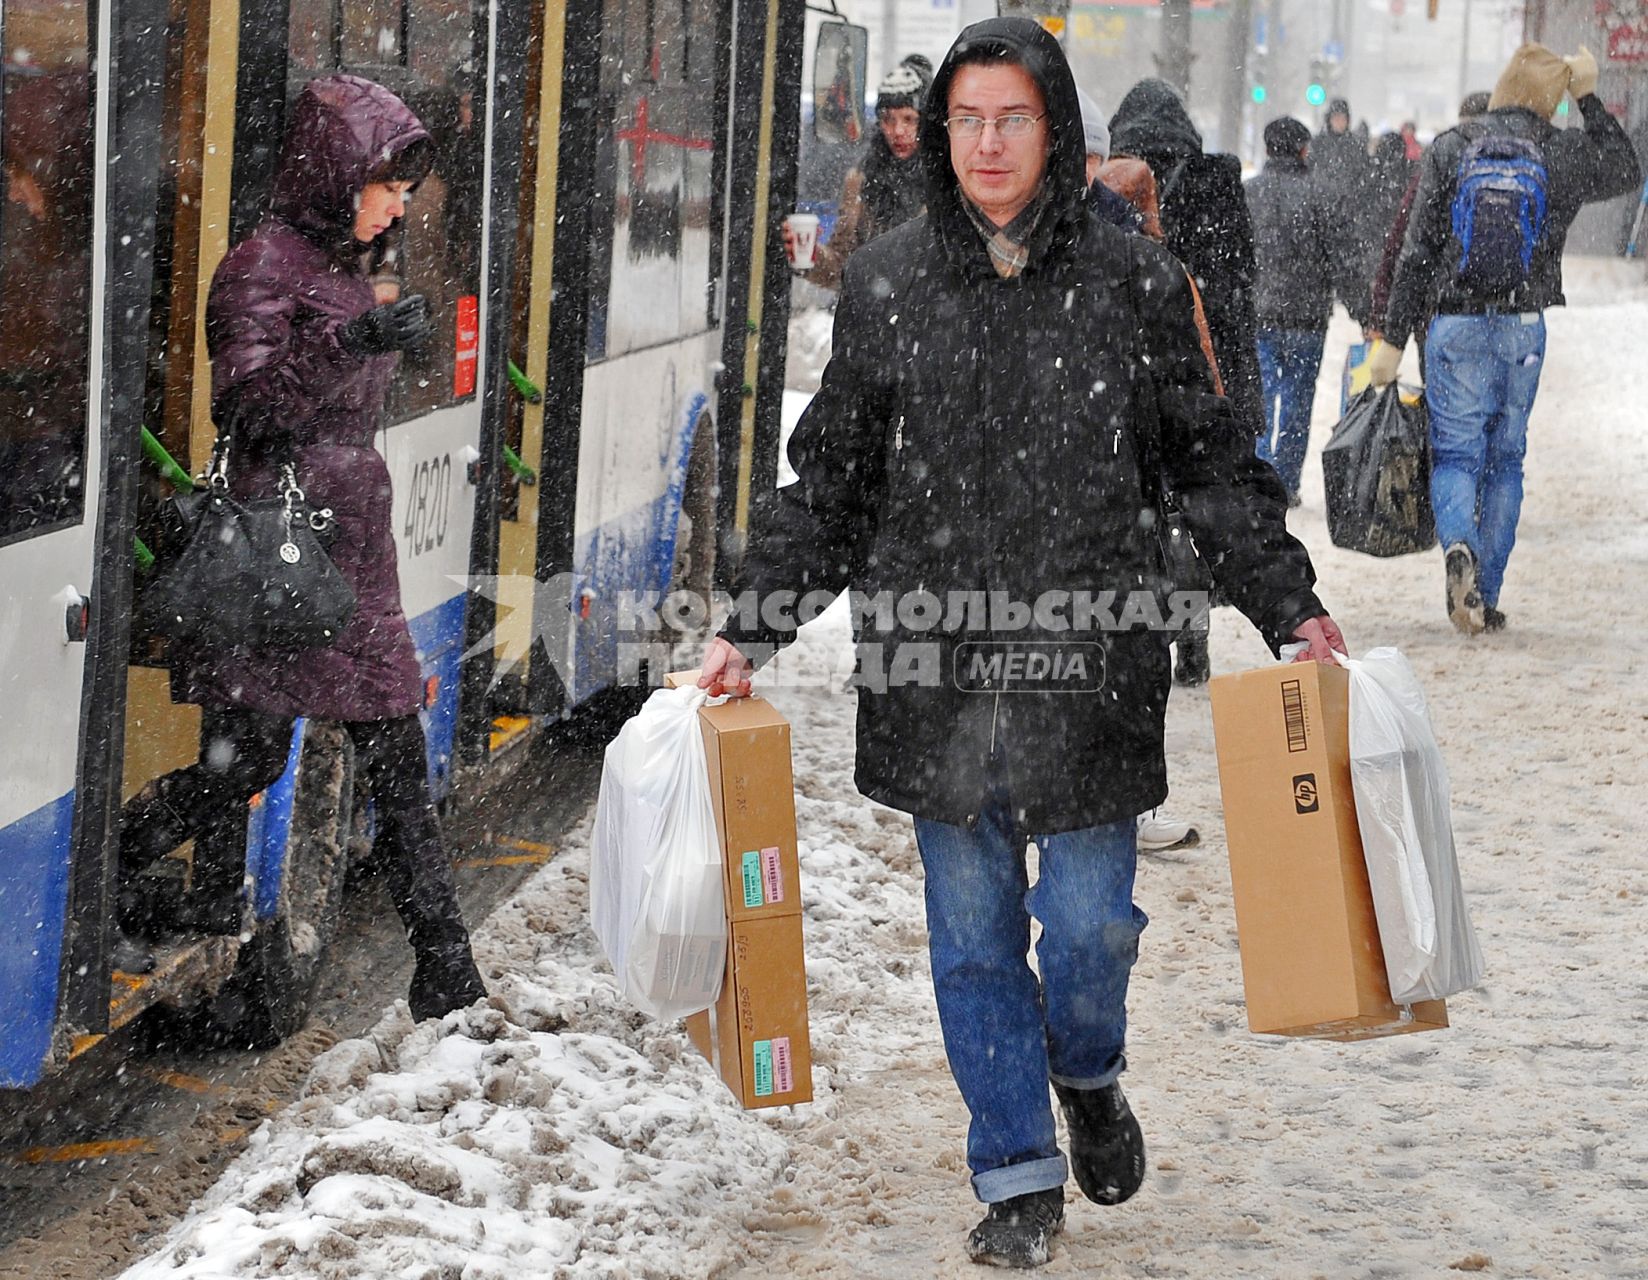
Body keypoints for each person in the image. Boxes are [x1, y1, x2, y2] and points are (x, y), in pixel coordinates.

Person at [698, 18, 1343, 1268]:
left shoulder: (1133, 283)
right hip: (934, 675)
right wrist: (745, 630)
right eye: (966, 120)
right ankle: (1016, 1168)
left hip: (1088, 662)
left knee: (1094, 922)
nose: (988, 144)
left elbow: (1208, 468)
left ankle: (1086, 1069)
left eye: (1013, 119)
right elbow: (829, 486)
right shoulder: (888, 285)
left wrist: (1287, 603)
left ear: (1056, 131)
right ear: (941, 135)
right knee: (973, 937)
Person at [118, 75, 489, 1022]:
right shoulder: (260, 267)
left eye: (406, 190)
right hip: (283, 551)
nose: (399, 205)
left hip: (342, 550)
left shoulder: (339, 268)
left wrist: (368, 329)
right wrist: (351, 339)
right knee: (252, 764)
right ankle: (120, 862)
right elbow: (246, 410)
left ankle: (448, 978)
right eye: (388, 185)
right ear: (337, 175)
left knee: (389, 755)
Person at [1369, 44, 1639, 634]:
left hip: (1455, 322)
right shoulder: (1560, 150)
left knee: (1457, 452)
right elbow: (1628, 169)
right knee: (1506, 461)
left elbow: (1416, 254)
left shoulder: (1451, 146)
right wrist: (1587, 97)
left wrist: (1391, 338)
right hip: (1522, 326)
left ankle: (1457, 546)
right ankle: (1484, 593)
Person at [1080, 90, 1202, 856]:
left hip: (1124, 513)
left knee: (1127, 655)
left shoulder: (1138, 261)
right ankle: (1124, 802)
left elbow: (1195, 396)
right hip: (1116, 516)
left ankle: (1126, 803)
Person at [1246, 116, 1337, 503]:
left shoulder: (1248, 193)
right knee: (1299, 402)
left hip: (1259, 312)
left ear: (1267, 149)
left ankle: (1258, 474)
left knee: (1261, 397)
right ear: (1303, 149)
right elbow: (1338, 256)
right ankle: (1285, 481)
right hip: (1307, 317)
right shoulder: (1320, 194)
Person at [788, 56, 932, 292]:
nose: (897, 131)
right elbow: (842, 269)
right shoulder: (861, 179)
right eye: (888, 119)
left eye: (909, 119)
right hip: (874, 319)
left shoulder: (951, 177)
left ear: (927, 122)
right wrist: (810, 256)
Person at [1367, 92, 1492, 357]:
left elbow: (1404, 244)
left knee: (1443, 396)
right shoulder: (1517, 160)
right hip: (1503, 316)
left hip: (1440, 311)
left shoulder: (1441, 158)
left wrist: (1387, 325)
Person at [1311, 98, 1371, 321]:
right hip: (1325, 210)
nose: (1339, 122)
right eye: (1336, 118)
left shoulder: (1353, 146)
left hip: (1347, 212)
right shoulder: (1319, 144)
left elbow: (1362, 177)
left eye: (1342, 118)